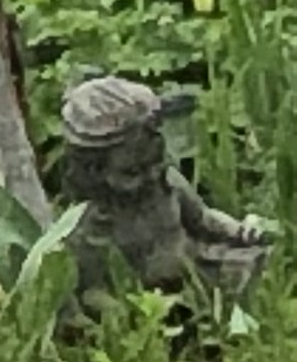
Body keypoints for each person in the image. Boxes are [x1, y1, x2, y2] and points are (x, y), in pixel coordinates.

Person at [53, 75, 271, 305]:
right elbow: (92, 290)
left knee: (260, 263)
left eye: (155, 161)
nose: (151, 176)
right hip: (144, 298)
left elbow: (203, 220)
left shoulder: (165, 184)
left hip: (196, 268)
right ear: (93, 172)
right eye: (133, 172)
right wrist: (124, 311)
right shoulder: (90, 224)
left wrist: (239, 231)